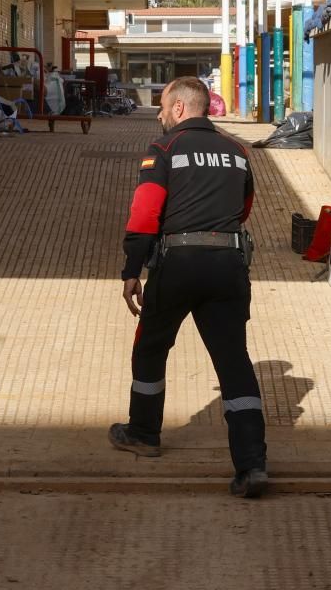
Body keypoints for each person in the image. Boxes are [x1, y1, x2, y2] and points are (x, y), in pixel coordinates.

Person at [109, 76, 267, 498]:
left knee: (150, 346)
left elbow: (145, 214)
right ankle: (252, 464)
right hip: (229, 264)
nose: (160, 115)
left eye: (162, 107)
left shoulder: (164, 150)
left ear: (179, 109)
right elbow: (245, 207)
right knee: (234, 361)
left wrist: (132, 269)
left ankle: (143, 433)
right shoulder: (237, 151)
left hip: (178, 264)